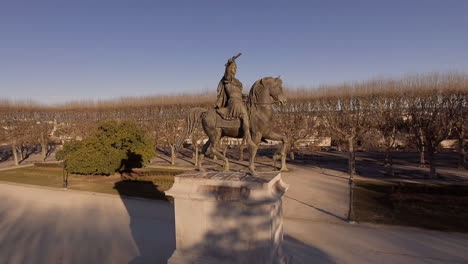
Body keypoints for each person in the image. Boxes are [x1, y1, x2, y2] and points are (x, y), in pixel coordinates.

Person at [215, 53, 254, 145]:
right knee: (244, 115)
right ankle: (248, 138)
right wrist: (229, 64)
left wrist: (246, 96)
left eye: (235, 68)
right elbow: (227, 74)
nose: (235, 69)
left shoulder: (238, 82)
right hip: (234, 103)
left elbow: (239, 94)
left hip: (240, 101)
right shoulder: (227, 79)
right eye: (233, 67)